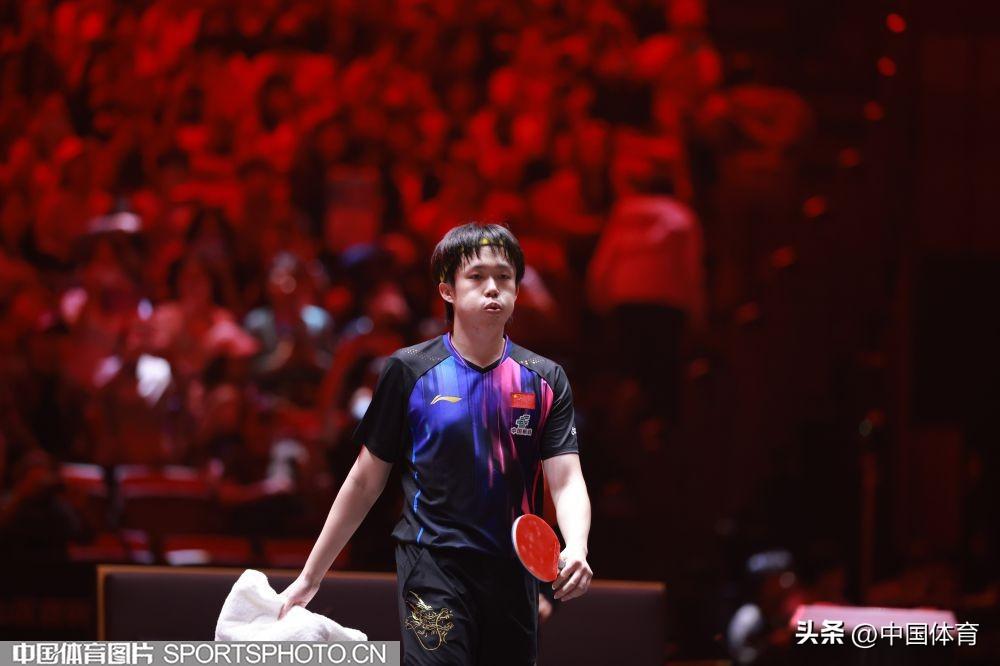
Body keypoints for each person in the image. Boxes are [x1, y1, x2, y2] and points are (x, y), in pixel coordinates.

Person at [278, 222, 593, 664]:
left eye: (504, 277)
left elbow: (566, 479)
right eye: (476, 276)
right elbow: (365, 480)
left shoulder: (545, 379)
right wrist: (310, 577)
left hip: (513, 572)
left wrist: (576, 545)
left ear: (517, 290)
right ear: (447, 289)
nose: (493, 288)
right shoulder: (409, 371)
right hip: (433, 566)